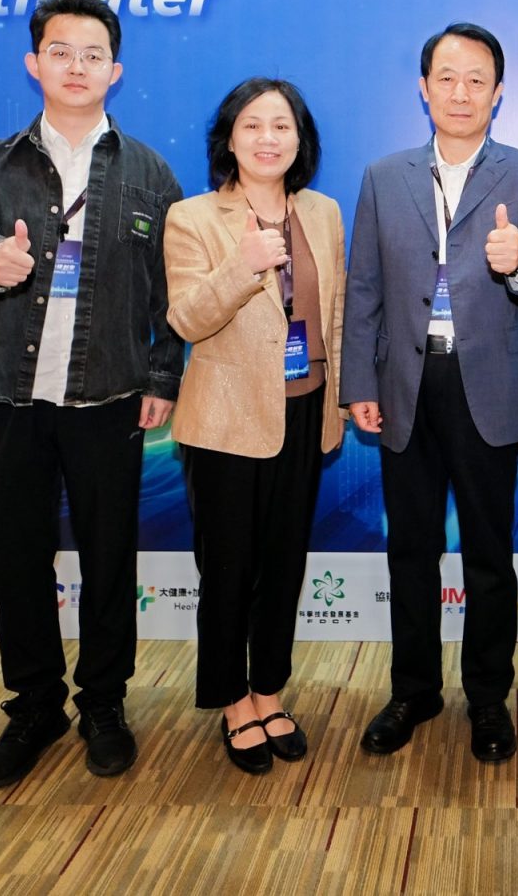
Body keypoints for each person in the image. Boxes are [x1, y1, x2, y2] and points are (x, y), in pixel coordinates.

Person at [0, 0, 183, 789]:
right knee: (17, 564)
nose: (76, 66)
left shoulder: (150, 173)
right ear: (34, 63)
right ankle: (35, 706)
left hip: (109, 400)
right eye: (60, 52)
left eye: (92, 55)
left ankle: (104, 706)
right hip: (4, 400)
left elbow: (170, 290)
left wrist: (163, 377)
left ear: (116, 70)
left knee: (110, 563)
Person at [341, 23, 518, 763]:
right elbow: (364, 286)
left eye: (478, 79)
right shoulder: (385, 176)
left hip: (489, 385)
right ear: (424, 87)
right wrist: (358, 382)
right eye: (447, 77)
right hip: (406, 382)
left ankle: (488, 698)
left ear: (498, 93)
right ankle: (413, 691)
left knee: (488, 554)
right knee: (409, 549)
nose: (461, 92)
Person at [163, 79, 347, 775]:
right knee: (228, 568)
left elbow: (336, 314)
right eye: (252, 125)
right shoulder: (193, 217)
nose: (268, 138)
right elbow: (186, 319)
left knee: (283, 563)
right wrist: (242, 268)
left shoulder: (323, 212)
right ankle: (233, 700)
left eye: (282, 125)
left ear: (301, 140)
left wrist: (345, 397)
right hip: (226, 419)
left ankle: (269, 689)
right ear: (230, 138)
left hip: (305, 409)